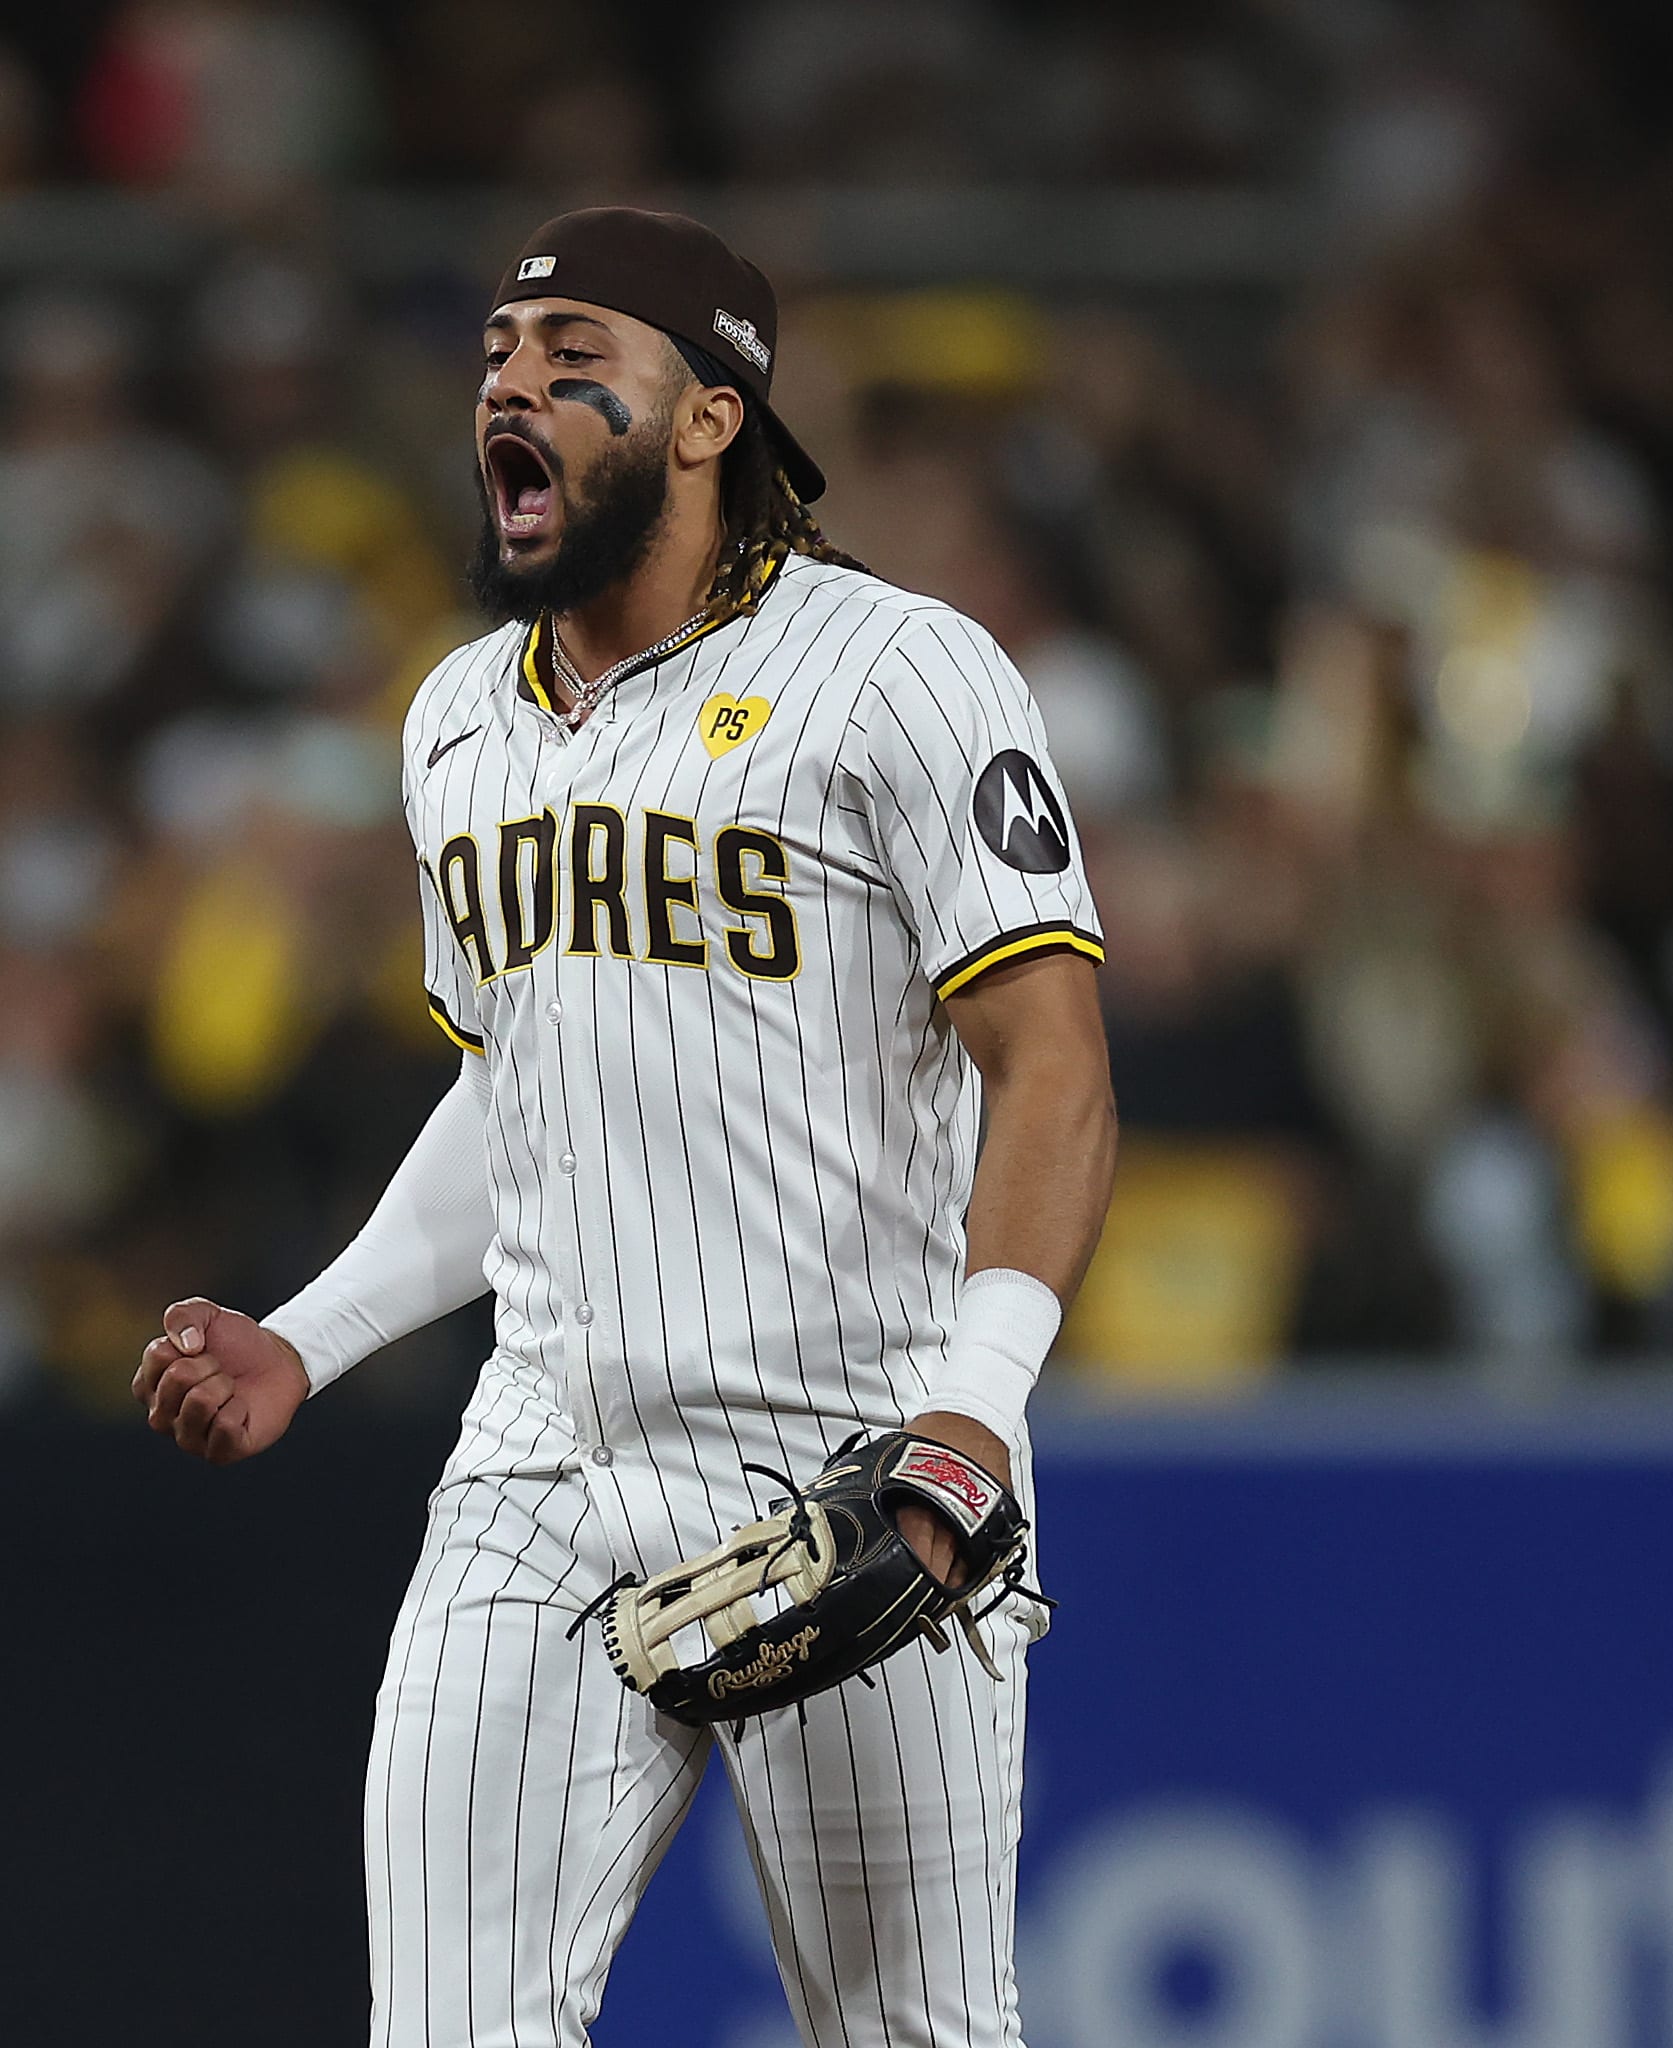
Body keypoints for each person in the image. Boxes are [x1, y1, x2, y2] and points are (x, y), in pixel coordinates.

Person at [130, 207, 1114, 2048]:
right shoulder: (453, 726)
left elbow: (1051, 1062)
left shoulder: (899, 671)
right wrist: (312, 1339)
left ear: (708, 416)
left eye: (573, 351)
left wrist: (974, 1416)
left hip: (855, 1458)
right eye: (497, 355)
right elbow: (521, 1082)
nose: (513, 384)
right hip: (543, 1455)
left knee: (909, 2033)